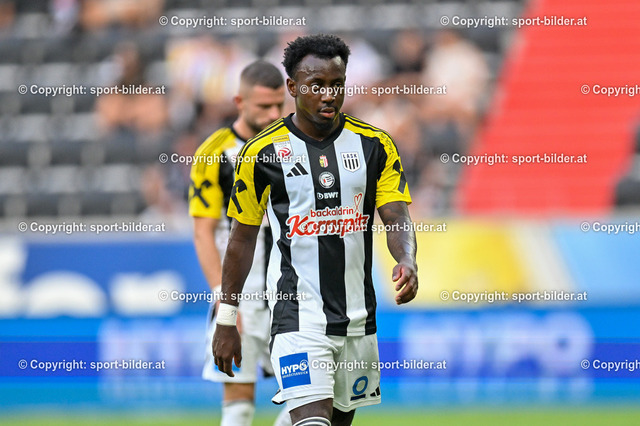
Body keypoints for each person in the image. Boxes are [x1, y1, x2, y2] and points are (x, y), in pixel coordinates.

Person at [212, 34, 418, 426]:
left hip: (358, 319)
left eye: (337, 84)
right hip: (296, 315)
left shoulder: (374, 145)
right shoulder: (261, 153)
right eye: (316, 85)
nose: (328, 95)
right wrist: (226, 319)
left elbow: (396, 217)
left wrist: (406, 258)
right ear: (292, 87)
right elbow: (241, 240)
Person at [189, 60, 290, 426]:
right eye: (264, 106)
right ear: (239, 102)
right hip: (241, 295)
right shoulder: (214, 152)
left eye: (279, 104)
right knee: (238, 401)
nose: (274, 114)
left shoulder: (293, 144)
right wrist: (223, 298)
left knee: (310, 398)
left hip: (291, 294)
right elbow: (203, 231)